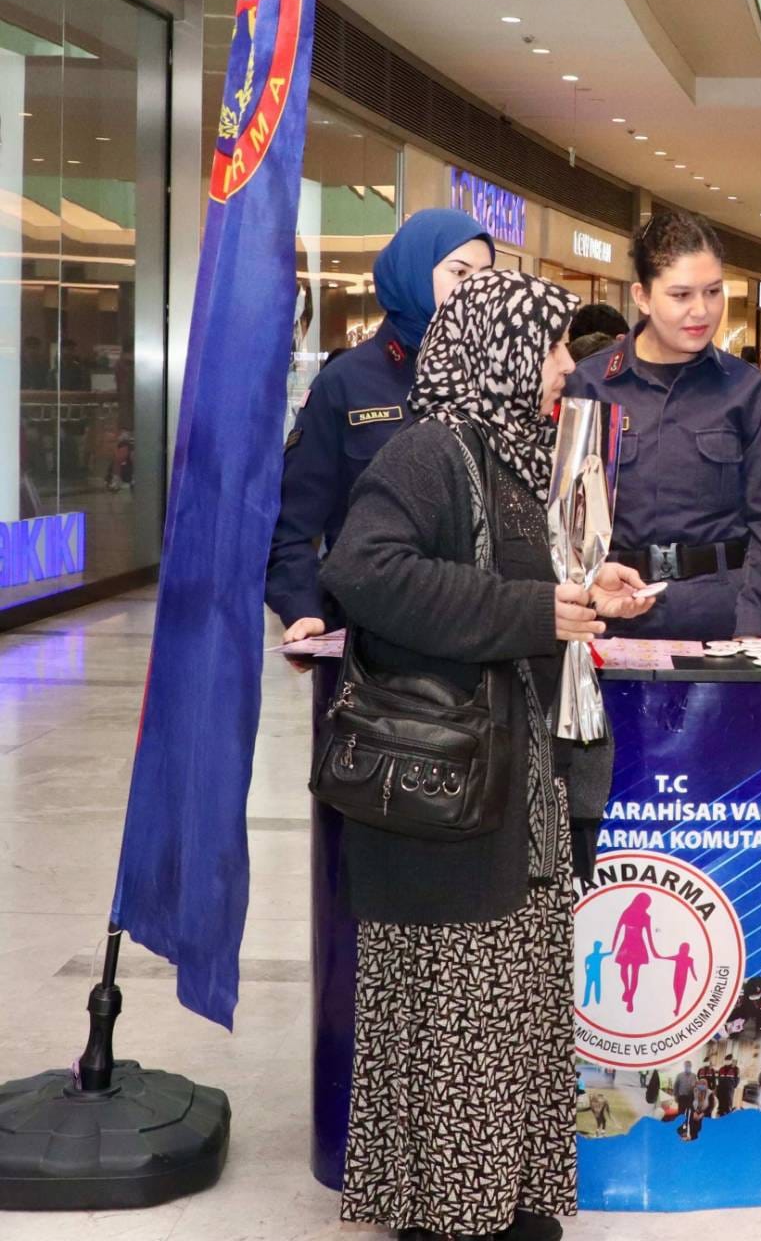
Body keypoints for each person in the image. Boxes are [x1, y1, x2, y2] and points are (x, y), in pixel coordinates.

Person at [319, 268, 655, 1241]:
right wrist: (530, 610)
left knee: (509, 995)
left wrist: (596, 588)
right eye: (550, 346)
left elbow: (522, 582)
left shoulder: (512, 453)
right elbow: (362, 570)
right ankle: (443, 1207)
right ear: (497, 349)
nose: (564, 368)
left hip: (514, 775)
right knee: (457, 997)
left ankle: (494, 1193)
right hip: (447, 783)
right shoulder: (429, 451)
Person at [267, 207, 494, 643]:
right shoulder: (347, 383)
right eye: (460, 273)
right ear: (412, 273)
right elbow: (292, 523)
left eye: (486, 275)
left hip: (482, 627)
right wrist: (306, 609)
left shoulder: (495, 377)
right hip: (370, 636)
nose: (478, 290)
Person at [568, 210, 761, 639]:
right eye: (681, 294)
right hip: (615, 616)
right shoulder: (591, 385)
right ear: (643, 296)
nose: (701, 311)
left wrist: (756, 626)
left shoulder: (748, 392)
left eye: (712, 292)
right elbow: (566, 522)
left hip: (721, 617)